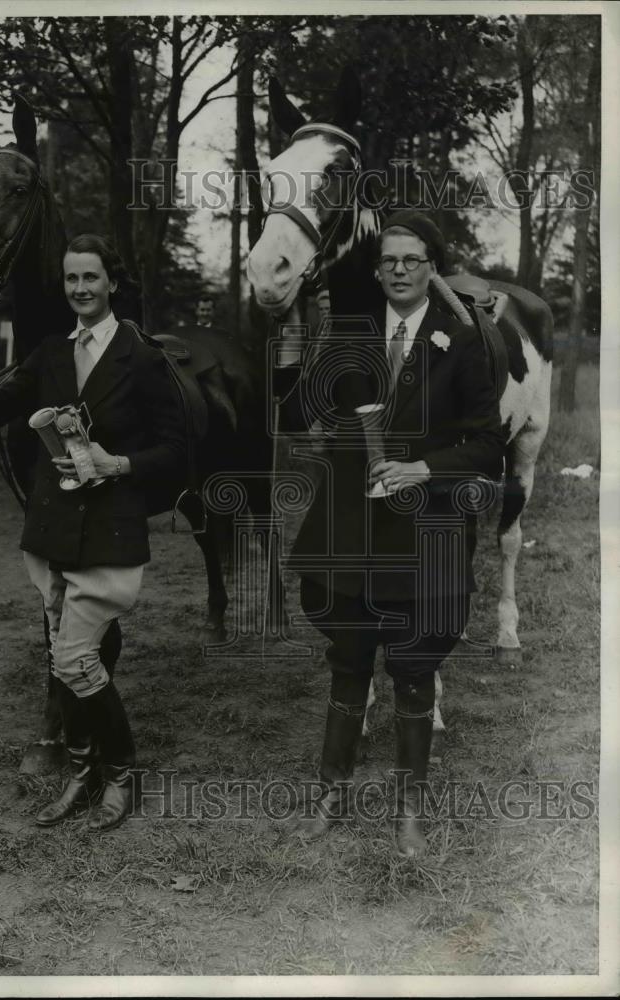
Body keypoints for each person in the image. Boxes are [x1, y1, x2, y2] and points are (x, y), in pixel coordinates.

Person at [275, 211, 506, 857]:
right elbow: (296, 415)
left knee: (411, 668)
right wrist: (294, 344)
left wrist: (423, 467)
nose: (399, 270)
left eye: (411, 260)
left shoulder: (458, 341)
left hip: (423, 533)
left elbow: (488, 444)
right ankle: (331, 793)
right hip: (350, 529)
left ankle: (408, 808)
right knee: (347, 664)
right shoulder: (346, 335)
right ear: (376, 271)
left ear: (430, 268)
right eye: (389, 261)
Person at [0, 233, 187, 830]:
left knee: (77, 658)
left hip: (109, 532)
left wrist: (119, 464)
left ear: (112, 282)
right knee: (65, 660)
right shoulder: (52, 352)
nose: (81, 289)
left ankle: (121, 774)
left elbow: (177, 451)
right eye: (71, 280)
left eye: (91, 278)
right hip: (54, 532)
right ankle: (82, 774)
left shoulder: (143, 356)